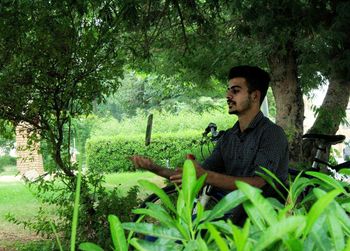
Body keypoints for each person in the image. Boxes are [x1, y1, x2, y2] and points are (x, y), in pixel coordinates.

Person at [130, 65, 289, 223]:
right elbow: (198, 175)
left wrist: (205, 176)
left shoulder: (272, 134)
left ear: (255, 96)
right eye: (228, 90)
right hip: (228, 220)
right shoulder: (228, 137)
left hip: (263, 226)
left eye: (235, 91)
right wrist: (154, 167)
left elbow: (257, 184)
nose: (228, 95)